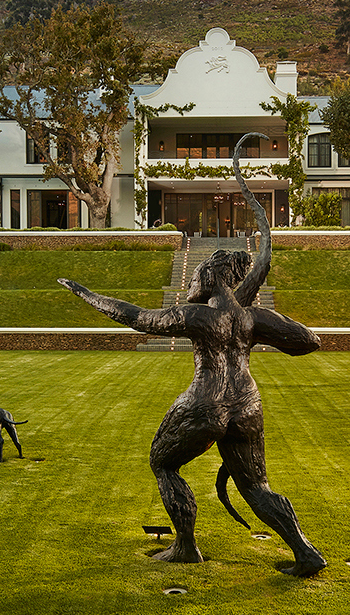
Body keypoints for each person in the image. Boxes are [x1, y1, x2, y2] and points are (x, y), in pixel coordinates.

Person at [58, 134, 327, 577]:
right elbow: (308, 341)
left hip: (205, 403)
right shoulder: (252, 318)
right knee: (256, 486)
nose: (189, 287)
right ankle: (304, 551)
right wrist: (259, 322)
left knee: (162, 461)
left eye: (196, 280)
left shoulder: (197, 315)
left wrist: (85, 293)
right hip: (247, 404)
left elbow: (138, 317)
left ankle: (185, 545)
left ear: (209, 274)